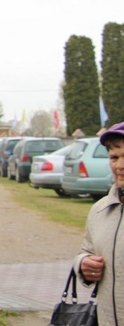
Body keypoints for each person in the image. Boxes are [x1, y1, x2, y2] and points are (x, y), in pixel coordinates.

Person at [74, 121, 124, 324]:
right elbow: (87, 250)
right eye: (114, 157)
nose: (119, 166)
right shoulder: (100, 210)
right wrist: (83, 264)